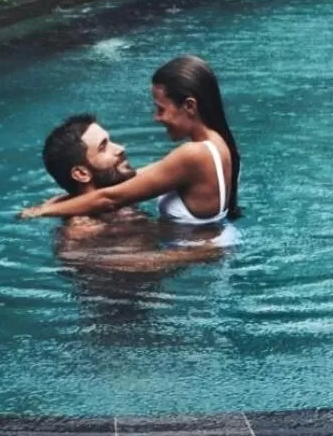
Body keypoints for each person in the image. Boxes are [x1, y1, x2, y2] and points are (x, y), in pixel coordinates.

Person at [20, 56, 240, 225]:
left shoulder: (194, 155)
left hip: (199, 277)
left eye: (161, 108)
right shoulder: (217, 145)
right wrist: (67, 198)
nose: (157, 117)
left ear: (190, 106)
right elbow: (134, 180)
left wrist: (42, 212)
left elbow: (110, 199)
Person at [36, 111, 224, 273]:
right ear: (81, 173)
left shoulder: (120, 197)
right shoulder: (81, 229)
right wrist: (199, 253)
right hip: (120, 311)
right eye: (104, 147)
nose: (120, 148)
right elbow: (123, 265)